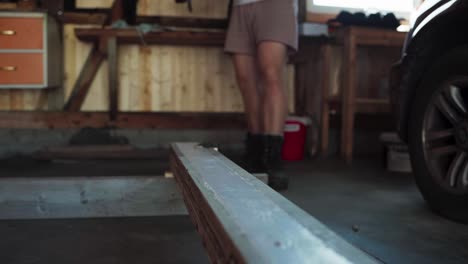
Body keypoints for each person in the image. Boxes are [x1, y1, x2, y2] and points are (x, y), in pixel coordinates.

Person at [225, 0, 298, 190]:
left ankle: (273, 158)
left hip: (274, 4)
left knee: (271, 73)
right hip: (240, 5)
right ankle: (255, 154)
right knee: (245, 79)